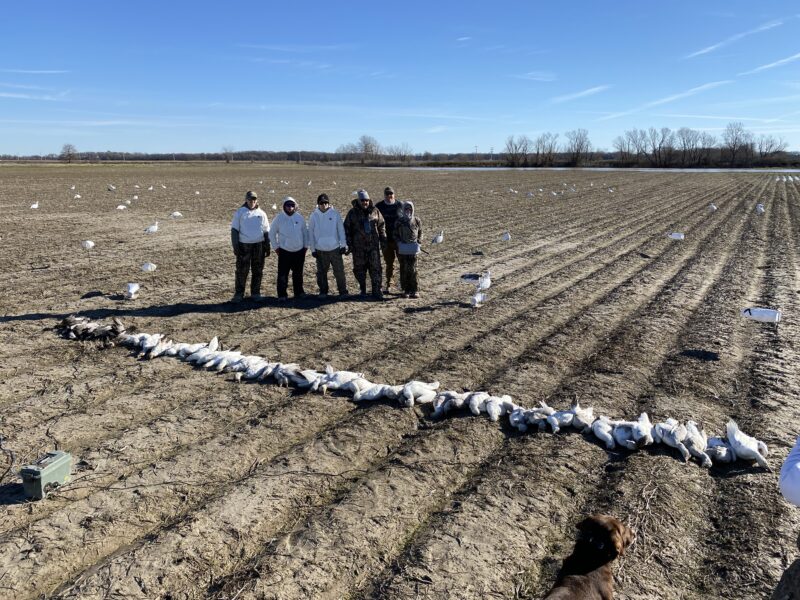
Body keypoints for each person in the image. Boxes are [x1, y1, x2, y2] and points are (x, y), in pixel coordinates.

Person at [344, 189, 386, 299]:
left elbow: (381, 225)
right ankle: (362, 289)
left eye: (366, 200)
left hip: (373, 247)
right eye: (362, 200)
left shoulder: (375, 211)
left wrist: (383, 239)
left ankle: (377, 291)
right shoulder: (352, 213)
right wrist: (349, 244)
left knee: (376, 269)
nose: (365, 202)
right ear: (358, 200)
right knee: (359, 270)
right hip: (358, 248)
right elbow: (347, 229)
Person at [230, 190, 270, 302]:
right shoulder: (240, 212)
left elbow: (266, 230)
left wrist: (267, 246)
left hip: (259, 246)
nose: (252, 201)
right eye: (249, 199)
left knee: (258, 270)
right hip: (244, 246)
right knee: (242, 271)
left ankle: (255, 293)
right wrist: (236, 246)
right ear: (246, 200)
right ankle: (239, 294)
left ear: (257, 200)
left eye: (254, 199)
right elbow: (234, 230)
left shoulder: (262, 213)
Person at [308, 193, 349, 298]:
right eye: (322, 203)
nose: (324, 205)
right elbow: (311, 234)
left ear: (329, 203)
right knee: (321, 273)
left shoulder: (335, 214)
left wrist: (343, 245)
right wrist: (313, 249)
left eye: (326, 202)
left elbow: (340, 230)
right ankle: (323, 292)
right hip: (320, 250)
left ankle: (343, 291)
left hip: (335, 249)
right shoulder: (314, 216)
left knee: (339, 272)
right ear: (318, 204)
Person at [268, 196, 309, 301]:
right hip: (284, 251)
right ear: (284, 206)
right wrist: (276, 248)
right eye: (288, 205)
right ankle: (282, 295)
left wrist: (305, 247)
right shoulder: (279, 218)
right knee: (283, 274)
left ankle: (299, 292)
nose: (290, 207)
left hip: (299, 251)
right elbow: (272, 234)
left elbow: (305, 233)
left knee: (298, 274)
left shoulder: (299, 218)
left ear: (295, 206)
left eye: (292, 205)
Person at [375, 186, 404, 294]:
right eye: (387, 194)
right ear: (384, 195)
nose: (389, 196)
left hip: (399, 240)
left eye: (391, 194)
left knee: (403, 262)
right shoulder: (379, 206)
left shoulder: (400, 205)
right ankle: (389, 284)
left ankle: (403, 284)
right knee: (389, 263)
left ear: (394, 194)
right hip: (386, 241)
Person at [394, 201, 423, 298]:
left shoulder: (417, 220)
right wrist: (399, 243)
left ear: (412, 209)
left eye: (409, 208)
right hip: (403, 249)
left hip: (413, 249)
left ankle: (415, 290)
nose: (408, 210)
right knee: (404, 269)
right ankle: (406, 290)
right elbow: (395, 234)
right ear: (403, 210)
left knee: (414, 269)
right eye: (406, 208)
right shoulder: (399, 221)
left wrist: (419, 241)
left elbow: (420, 232)